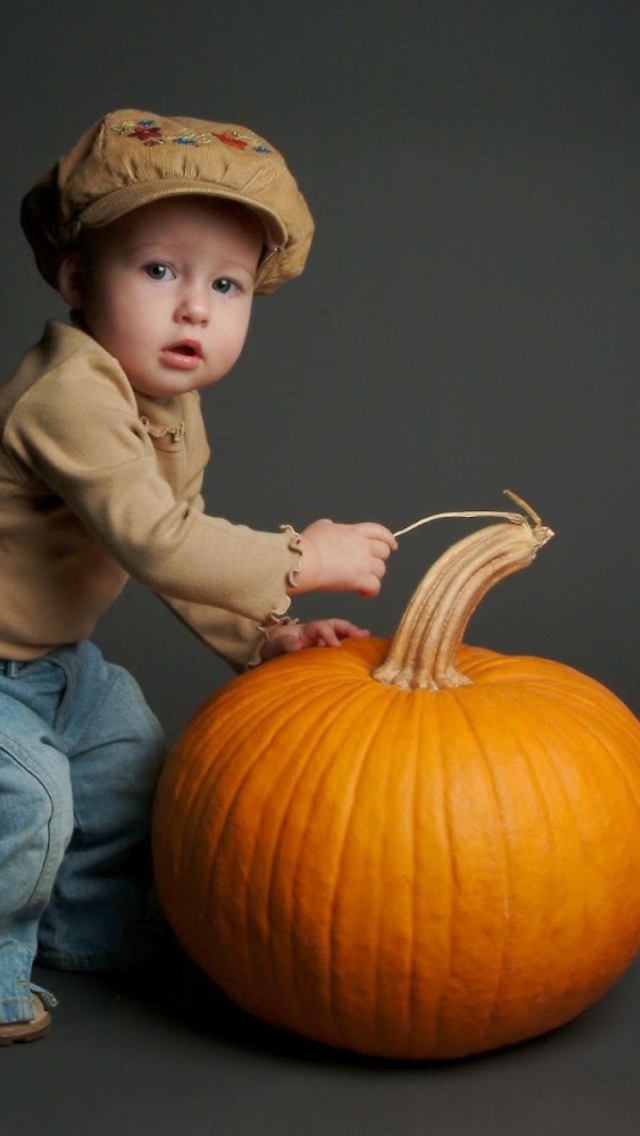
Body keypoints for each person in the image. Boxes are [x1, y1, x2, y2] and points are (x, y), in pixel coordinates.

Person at [0, 109, 397, 1044]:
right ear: (74, 277)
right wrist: (305, 558)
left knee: (132, 763)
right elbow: (160, 542)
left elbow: (184, 557)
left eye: (227, 284)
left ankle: (93, 936)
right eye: (158, 271)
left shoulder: (167, 406)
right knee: (28, 802)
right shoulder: (68, 393)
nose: (195, 309)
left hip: (55, 660)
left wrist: (264, 636)